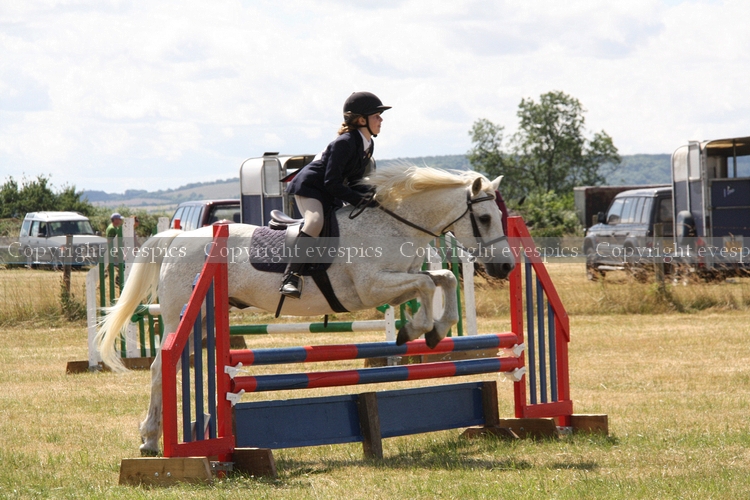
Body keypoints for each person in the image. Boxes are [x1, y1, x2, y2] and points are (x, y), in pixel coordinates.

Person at [280, 91, 391, 299]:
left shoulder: (367, 144)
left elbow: (355, 181)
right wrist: (359, 200)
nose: (381, 120)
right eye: (377, 116)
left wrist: (377, 197)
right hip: (310, 187)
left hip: (329, 189)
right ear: (361, 120)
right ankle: (290, 277)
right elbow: (332, 182)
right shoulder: (345, 142)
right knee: (315, 222)